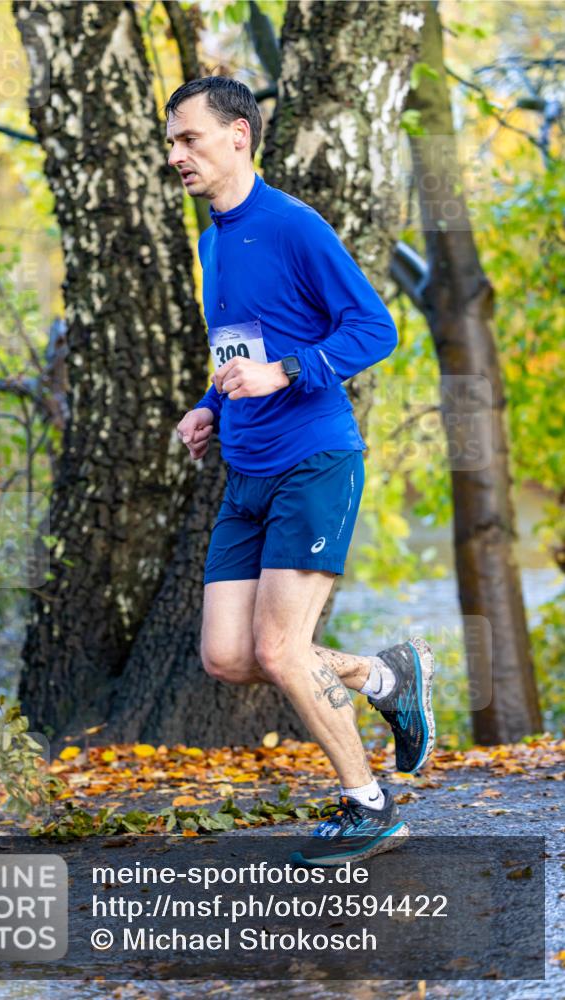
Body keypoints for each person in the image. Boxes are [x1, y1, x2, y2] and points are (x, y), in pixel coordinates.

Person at [166, 76, 435, 865]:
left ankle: (369, 804)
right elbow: (243, 344)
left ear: (239, 137)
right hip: (244, 468)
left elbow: (373, 328)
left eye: (190, 138)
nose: (175, 153)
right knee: (230, 656)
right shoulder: (214, 237)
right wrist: (208, 404)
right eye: (173, 141)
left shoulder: (292, 225)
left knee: (281, 649)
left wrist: (286, 373)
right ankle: (382, 678)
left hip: (312, 458)